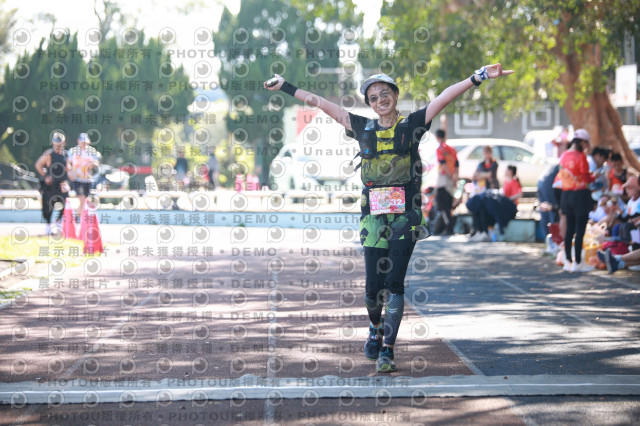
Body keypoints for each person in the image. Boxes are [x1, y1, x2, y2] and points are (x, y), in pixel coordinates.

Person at [265, 64, 514, 372]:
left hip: (405, 218)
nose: (380, 100)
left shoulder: (412, 125)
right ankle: (375, 327)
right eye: (373, 97)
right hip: (372, 220)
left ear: (395, 96)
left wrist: (478, 76)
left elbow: (444, 97)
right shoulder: (361, 127)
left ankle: (388, 349)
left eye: (385, 94)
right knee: (373, 288)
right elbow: (322, 103)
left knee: (394, 283)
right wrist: (286, 86)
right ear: (369, 104)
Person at [554, 128, 594, 272]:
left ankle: (568, 261)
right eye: (586, 143)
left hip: (566, 195)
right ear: (582, 142)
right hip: (580, 195)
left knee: (569, 229)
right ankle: (578, 262)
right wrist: (594, 177)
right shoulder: (581, 156)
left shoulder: (564, 155)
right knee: (580, 230)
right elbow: (585, 176)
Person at [35, 132, 70, 234]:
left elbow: (68, 169)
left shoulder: (66, 154)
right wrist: (45, 176)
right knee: (48, 205)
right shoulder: (49, 154)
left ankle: (58, 224)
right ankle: (48, 226)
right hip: (51, 184)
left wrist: (67, 182)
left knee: (64, 204)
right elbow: (38, 165)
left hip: (61, 184)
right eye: (56, 144)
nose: (58, 146)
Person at [67, 132, 100, 217]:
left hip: (88, 179)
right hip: (76, 179)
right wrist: (69, 172)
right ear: (78, 141)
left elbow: (96, 163)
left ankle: (79, 216)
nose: (84, 144)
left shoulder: (92, 151)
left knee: (85, 199)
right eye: (82, 142)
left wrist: (92, 164)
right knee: (81, 198)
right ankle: (79, 217)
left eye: (85, 142)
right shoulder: (73, 151)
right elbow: (68, 163)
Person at [433, 129, 458, 235]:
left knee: (442, 204)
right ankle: (449, 227)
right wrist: (455, 177)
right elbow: (457, 164)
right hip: (451, 178)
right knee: (449, 203)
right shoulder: (452, 149)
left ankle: (449, 227)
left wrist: (449, 174)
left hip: (444, 178)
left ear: (437, 137)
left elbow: (443, 163)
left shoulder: (440, 149)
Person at [537, 163, 561, 238]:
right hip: (549, 184)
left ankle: (548, 238)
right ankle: (554, 238)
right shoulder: (564, 164)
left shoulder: (558, 164)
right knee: (553, 211)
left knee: (545, 210)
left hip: (541, 181)